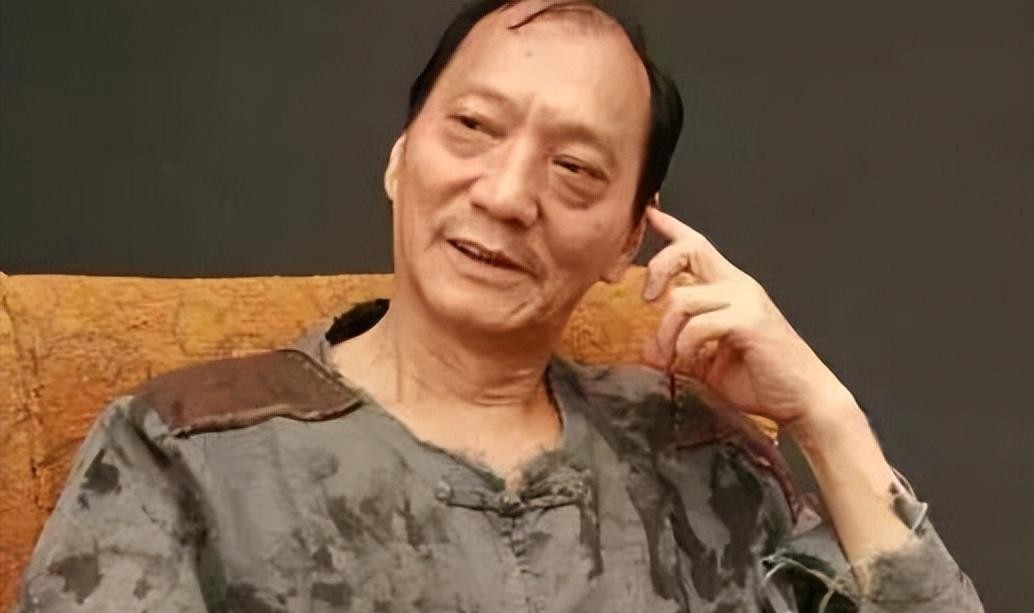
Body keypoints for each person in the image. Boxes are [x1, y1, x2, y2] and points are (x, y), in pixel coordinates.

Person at [16, 1, 983, 611]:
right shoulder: (186, 448)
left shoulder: (700, 456)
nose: (508, 193)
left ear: (627, 238)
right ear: (402, 157)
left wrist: (826, 417)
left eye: (575, 168)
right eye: (474, 127)